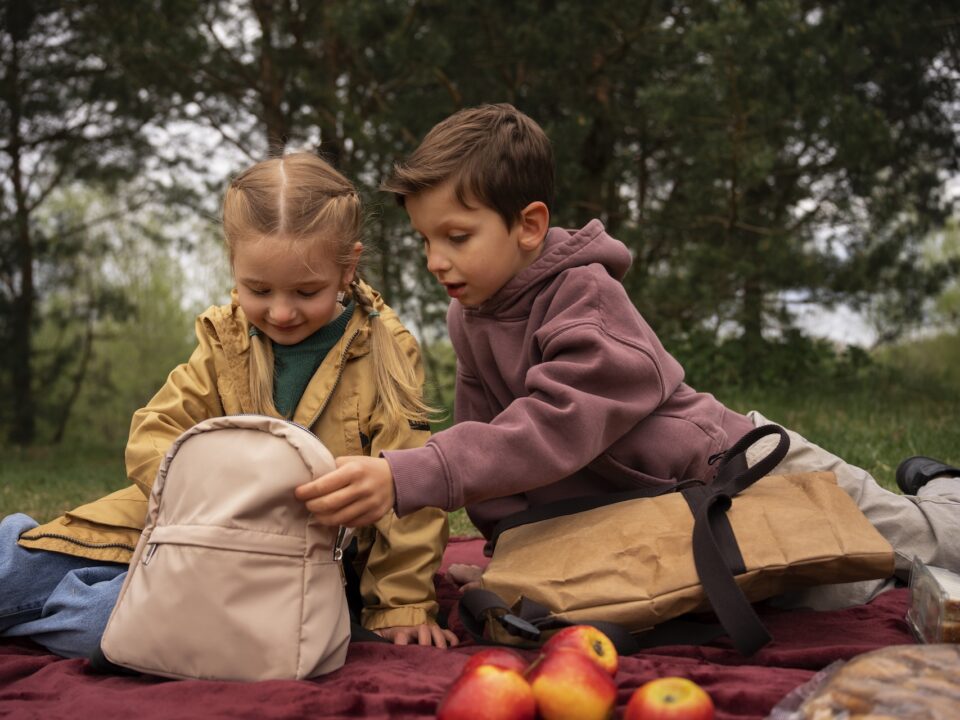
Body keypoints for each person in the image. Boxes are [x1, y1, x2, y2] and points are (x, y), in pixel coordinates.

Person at [296, 103, 960, 611]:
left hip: (741, 472)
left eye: (457, 237)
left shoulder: (584, 295)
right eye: (424, 240)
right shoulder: (468, 317)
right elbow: (492, 451)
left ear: (529, 225)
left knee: (920, 549)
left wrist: (414, 472)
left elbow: (555, 426)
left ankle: (942, 489)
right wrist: (514, 560)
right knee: (824, 592)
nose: (435, 260)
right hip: (665, 517)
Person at [0, 152, 458, 659]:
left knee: (103, 622)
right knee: (16, 567)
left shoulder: (388, 351)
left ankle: (73, 605)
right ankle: (42, 573)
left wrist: (402, 604)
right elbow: (154, 434)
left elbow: (409, 489)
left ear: (348, 267)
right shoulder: (225, 338)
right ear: (234, 265)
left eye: (306, 291)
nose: (281, 312)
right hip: (179, 534)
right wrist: (219, 499)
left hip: (295, 570)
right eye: (258, 289)